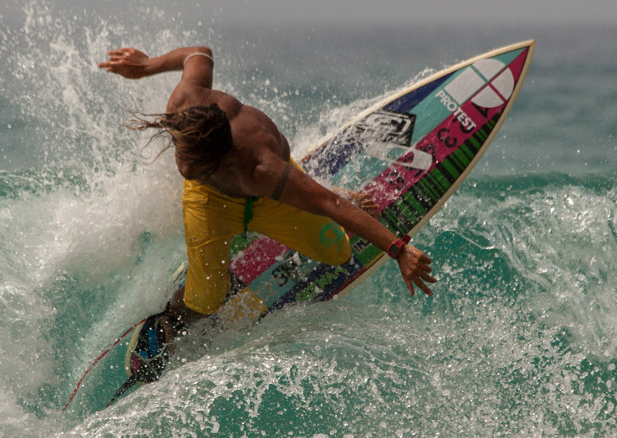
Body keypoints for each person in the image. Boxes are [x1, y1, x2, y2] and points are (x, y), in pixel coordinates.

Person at [98, 45, 435, 377]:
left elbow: (328, 205)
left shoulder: (262, 169)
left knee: (337, 252)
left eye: (193, 164)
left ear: (221, 158)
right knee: (205, 302)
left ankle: (302, 187)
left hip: (268, 199)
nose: (183, 170)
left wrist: (398, 249)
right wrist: (147, 66)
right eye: (180, 155)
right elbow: (198, 53)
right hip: (211, 202)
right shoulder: (184, 106)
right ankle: (167, 321)